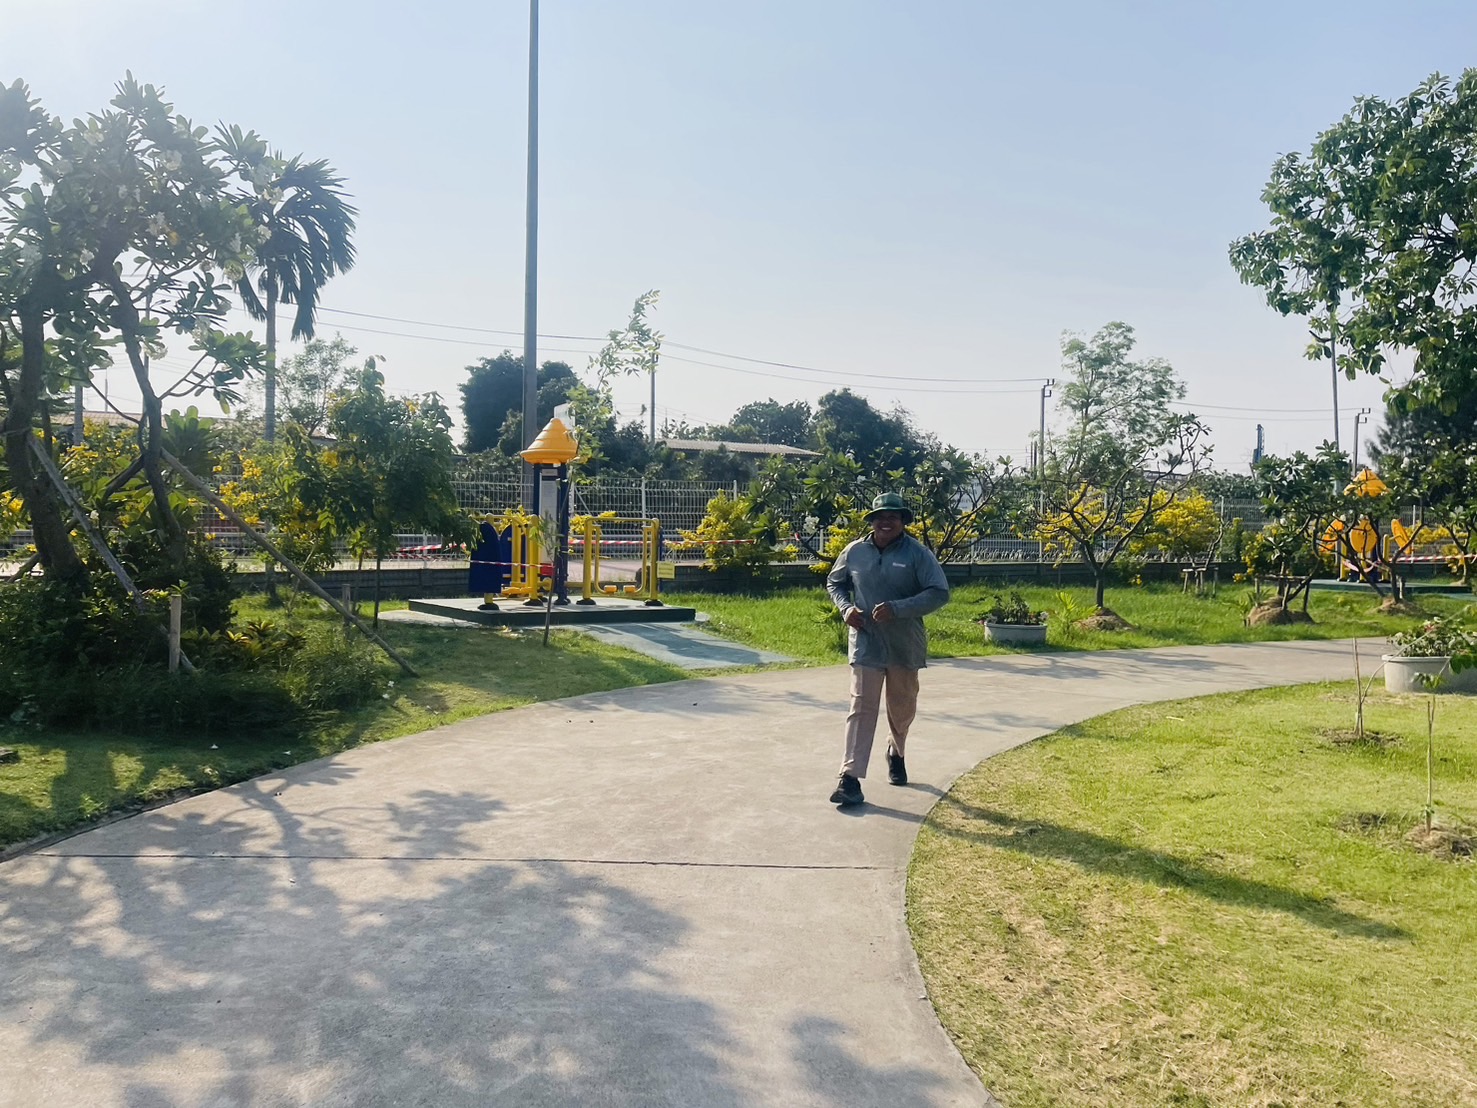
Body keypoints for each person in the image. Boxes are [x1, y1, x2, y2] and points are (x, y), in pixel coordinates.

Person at [824, 491, 950, 806]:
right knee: (861, 707)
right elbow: (835, 583)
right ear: (872, 520)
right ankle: (849, 778)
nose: (885, 522)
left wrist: (898, 608)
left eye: (893, 516)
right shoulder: (855, 551)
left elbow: (939, 592)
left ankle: (896, 750)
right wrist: (845, 609)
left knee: (902, 708)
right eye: (880, 516)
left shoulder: (918, 554)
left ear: (902, 521)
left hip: (904, 644)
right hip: (866, 642)